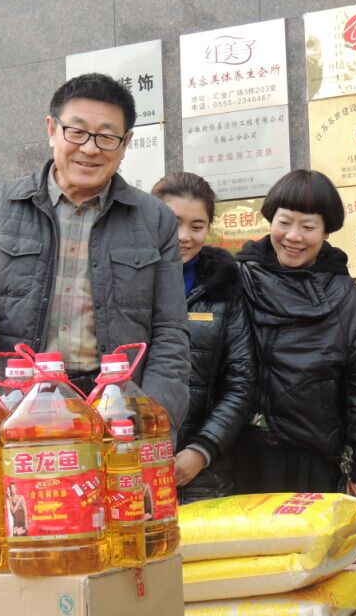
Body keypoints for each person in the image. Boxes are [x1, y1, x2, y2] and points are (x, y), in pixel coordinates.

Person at [0, 73, 190, 428]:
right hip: (19, 404)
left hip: (115, 405)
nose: (90, 149)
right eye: (77, 132)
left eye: (106, 137)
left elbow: (169, 331)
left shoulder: (155, 219)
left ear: (125, 143)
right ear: (51, 130)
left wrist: (153, 418)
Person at [233, 169, 356, 497]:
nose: (293, 236)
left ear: (326, 231)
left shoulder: (346, 299)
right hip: (235, 452)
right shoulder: (236, 278)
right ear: (270, 220)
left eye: (308, 226)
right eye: (284, 222)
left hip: (309, 458)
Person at [151, 172, 254, 504]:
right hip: (128, 464)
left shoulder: (224, 287)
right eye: (173, 222)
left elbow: (241, 382)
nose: (184, 237)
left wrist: (202, 449)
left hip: (202, 475)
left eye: (197, 226)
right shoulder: (122, 278)